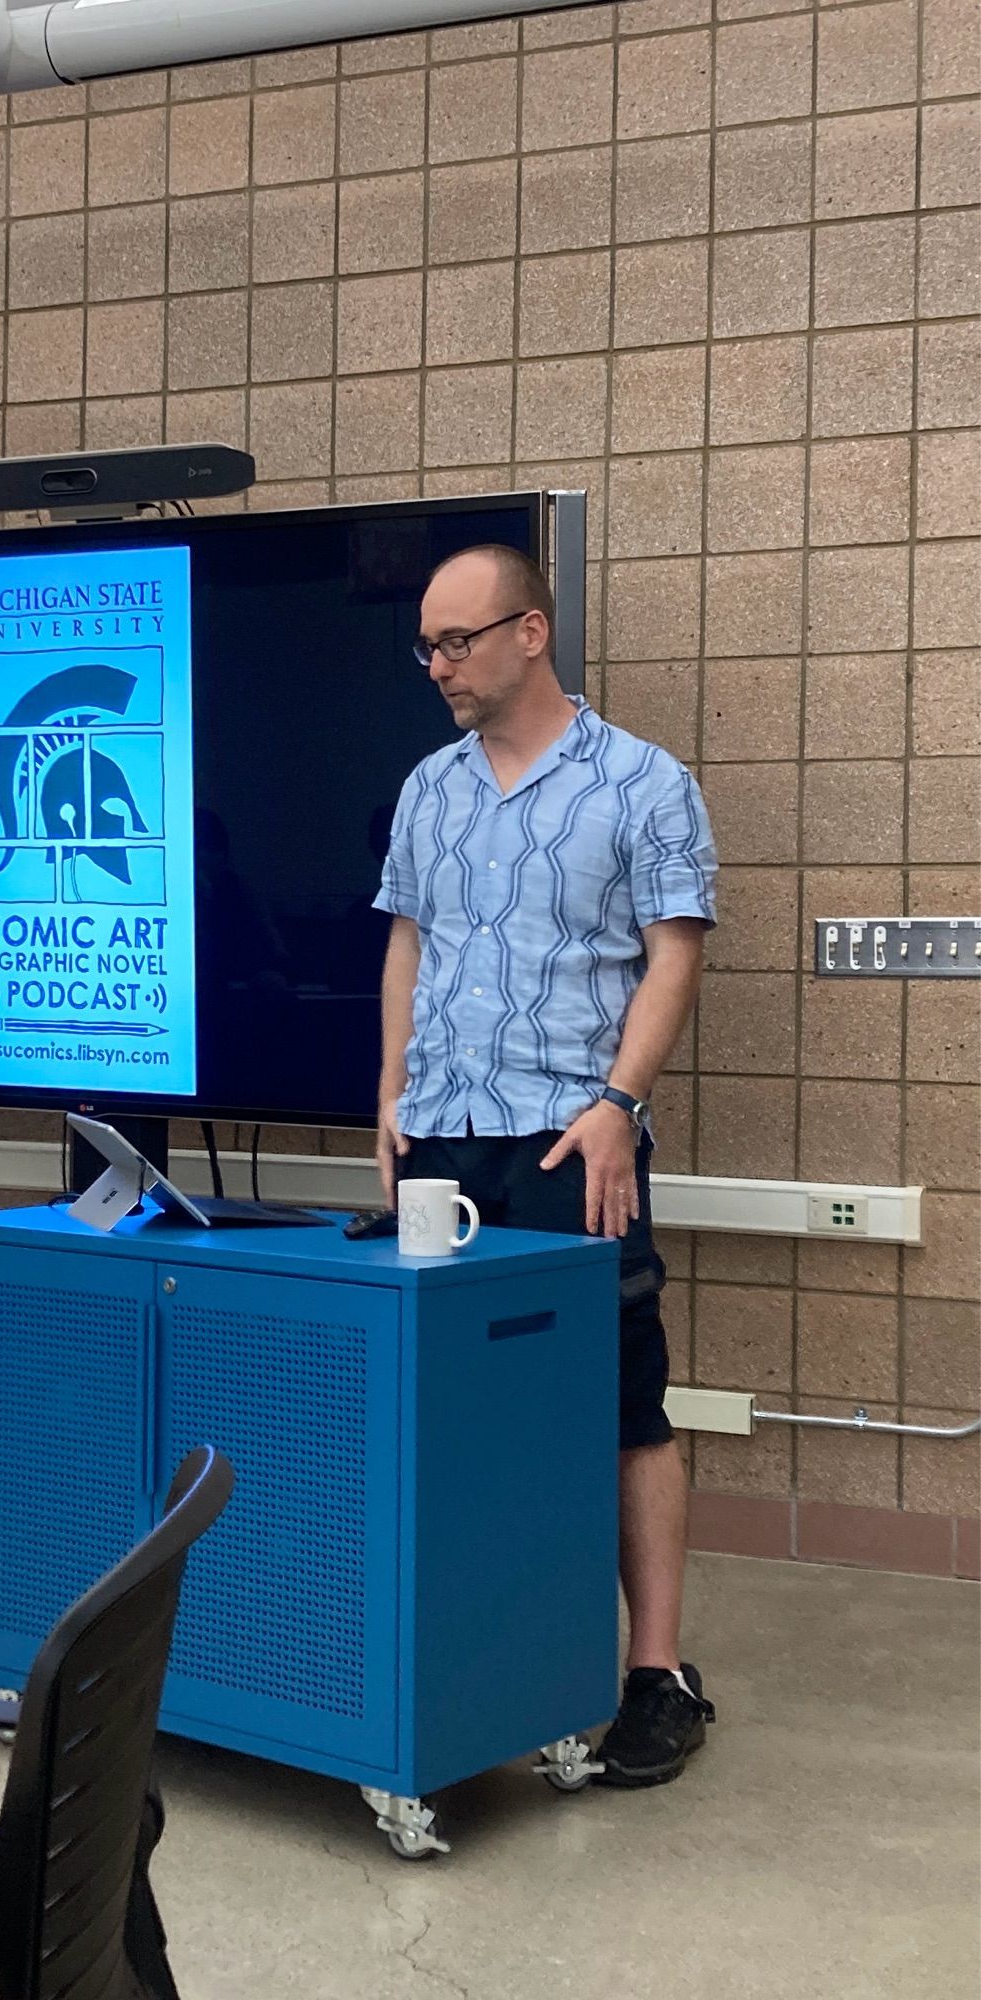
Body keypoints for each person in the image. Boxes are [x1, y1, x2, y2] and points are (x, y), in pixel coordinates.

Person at [374, 543, 718, 1788]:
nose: (436, 666)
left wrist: (621, 1102)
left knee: (621, 1399)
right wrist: (386, 1097)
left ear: (531, 631)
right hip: (442, 1137)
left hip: (575, 1140)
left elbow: (671, 955)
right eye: (425, 644)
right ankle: (487, 1658)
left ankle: (655, 1672)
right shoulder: (428, 788)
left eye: (455, 640)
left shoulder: (640, 783)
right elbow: (406, 944)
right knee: (456, 1406)